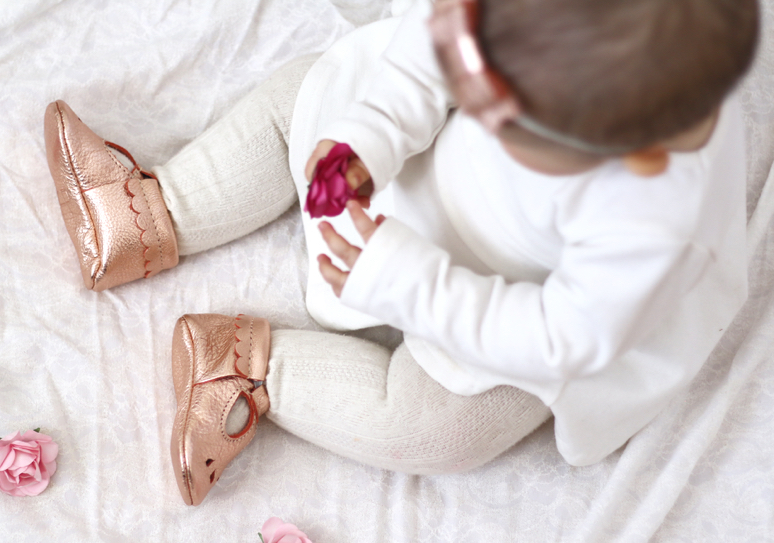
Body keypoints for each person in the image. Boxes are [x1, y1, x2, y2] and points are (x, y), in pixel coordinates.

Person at [43, 0, 759, 506]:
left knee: (441, 430)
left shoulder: (656, 221)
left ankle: (251, 368)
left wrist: (415, 284)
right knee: (308, 93)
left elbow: (563, 337)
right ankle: (155, 209)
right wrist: (371, 134)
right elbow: (428, 53)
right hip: (427, 153)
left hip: (513, 298)